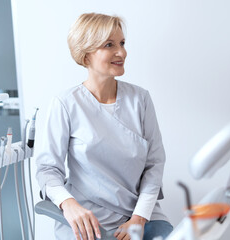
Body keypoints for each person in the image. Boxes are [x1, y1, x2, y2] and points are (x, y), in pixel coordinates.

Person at [36, 13, 173, 240]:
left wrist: (138, 218)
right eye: (109, 45)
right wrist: (68, 204)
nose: (121, 52)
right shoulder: (66, 104)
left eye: (122, 43)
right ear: (86, 54)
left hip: (139, 212)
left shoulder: (140, 100)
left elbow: (155, 164)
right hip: (88, 216)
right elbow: (48, 169)